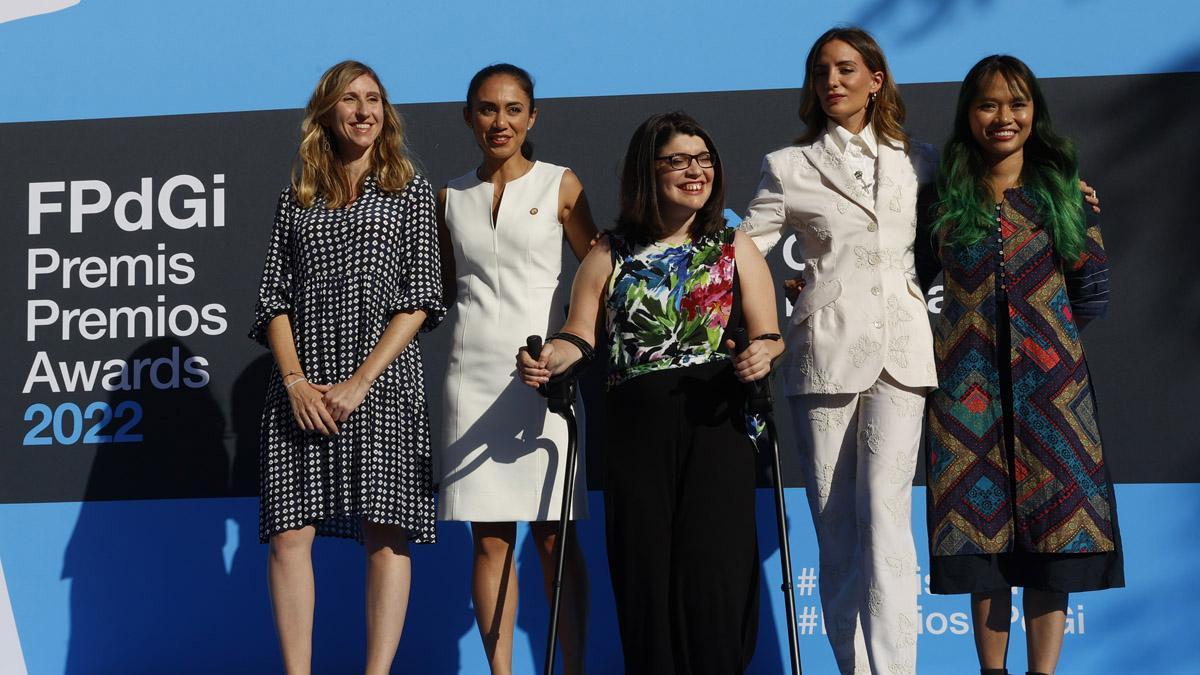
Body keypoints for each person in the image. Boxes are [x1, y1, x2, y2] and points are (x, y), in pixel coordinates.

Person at [517, 111, 783, 674]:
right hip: (637, 428)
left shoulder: (734, 243)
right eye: (678, 160)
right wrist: (548, 360)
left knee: (715, 573)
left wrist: (763, 351)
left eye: (704, 158)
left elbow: (767, 333)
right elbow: (577, 337)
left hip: (718, 419)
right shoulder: (608, 251)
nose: (696, 171)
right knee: (646, 573)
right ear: (648, 170)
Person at [739, 27, 937, 675]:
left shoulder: (921, 160)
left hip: (904, 354)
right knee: (836, 531)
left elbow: (971, 224)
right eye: (821, 70)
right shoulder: (787, 165)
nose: (833, 81)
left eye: (847, 69)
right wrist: (769, 315)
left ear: (876, 79)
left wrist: (1056, 201)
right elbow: (744, 248)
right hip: (823, 355)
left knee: (887, 517)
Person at [916, 54, 1123, 675]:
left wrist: (1043, 342)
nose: (1003, 117)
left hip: (1053, 395)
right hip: (965, 392)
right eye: (987, 104)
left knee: (1053, 539)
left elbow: (1093, 293)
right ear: (967, 115)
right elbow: (902, 284)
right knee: (982, 540)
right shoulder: (940, 199)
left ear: (1035, 112)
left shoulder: (1063, 192)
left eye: (1017, 103)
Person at [248, 60, 445, 675]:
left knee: (385, 534)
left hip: (381, 386)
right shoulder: (295, 198)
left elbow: (421, 297)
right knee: (289, 535)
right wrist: (296, 383)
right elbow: (272, 301)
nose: (363, 111)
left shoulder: (409, 189)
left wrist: (359, 382)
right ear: (326, 114)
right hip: (302, 389)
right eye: (350, 101)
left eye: (374, 100)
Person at [435, 63, 596, 675]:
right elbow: (442, 290)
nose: (498, 122)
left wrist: (567, 348)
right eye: (485, 109)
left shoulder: (561, 185)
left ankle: (573, 669)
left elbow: (599, 275)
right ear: (469, 116)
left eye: (511, 109)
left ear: (532, 117)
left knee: (556, 536)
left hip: (546, 379)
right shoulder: (449, 195)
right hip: (470, 382)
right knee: (490, 538)